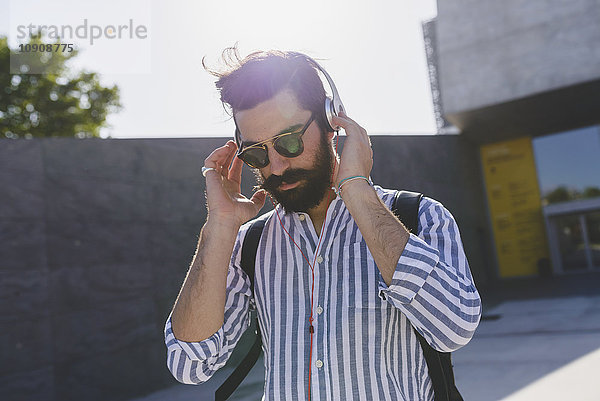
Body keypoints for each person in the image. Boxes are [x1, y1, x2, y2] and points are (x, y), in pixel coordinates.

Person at [164, 48, 482, 401]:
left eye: (289, 142)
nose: (277, 166)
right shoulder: (246, 245)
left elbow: (455, 328)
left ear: (331, 123)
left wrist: (356, 188)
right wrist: (219, 227)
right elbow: (189, 365)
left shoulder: (420, 217)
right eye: (257, 153)